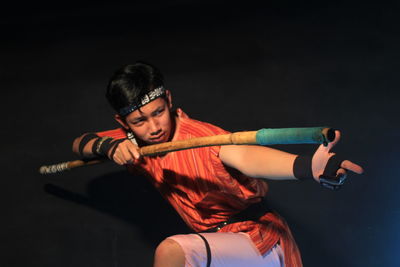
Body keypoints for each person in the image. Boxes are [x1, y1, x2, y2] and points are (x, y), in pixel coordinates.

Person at [72, 61, 363, 267]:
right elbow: (80, 143)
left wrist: (307, 167)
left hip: (256, 242)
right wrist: (108, 146)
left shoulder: (201, 137)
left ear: (168, 100)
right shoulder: (131, 142)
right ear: (123, 123)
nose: (153, 127)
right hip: (220, 250)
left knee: (172, 251)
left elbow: (248, 157)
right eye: (139, 121)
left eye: (158, 112)